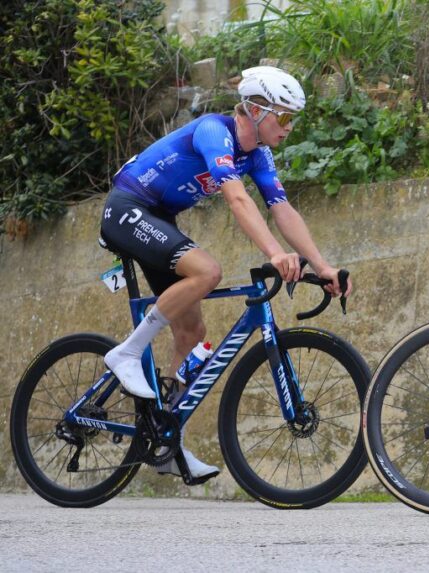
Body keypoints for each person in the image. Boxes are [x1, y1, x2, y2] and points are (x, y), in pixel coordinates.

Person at [99, 66, 351, 484]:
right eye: (284, 117)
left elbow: (282, 210)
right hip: (128, 208)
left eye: (294, 119)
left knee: (191, 332)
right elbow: (236, 198)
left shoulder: (258, 154)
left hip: (160, 217)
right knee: (208, 272)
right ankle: (126, 353)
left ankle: (164, 442)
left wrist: (322, 266)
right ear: (254, 110)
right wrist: (274, 253)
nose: (289, 128)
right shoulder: (215, 132)